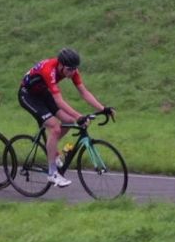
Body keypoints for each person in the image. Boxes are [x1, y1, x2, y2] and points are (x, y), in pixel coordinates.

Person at [18, 48, 114, 187]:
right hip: (28, 95)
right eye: (69, 69)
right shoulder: (49, 70)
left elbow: (84, 92)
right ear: (61, 65)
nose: (72, 73)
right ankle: (52, 174)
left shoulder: (72, 70)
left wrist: (103, 108)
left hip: (42, 92)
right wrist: (78, 116)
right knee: (55, 128)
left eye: (75, 69)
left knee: (69, 121)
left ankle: (52, 148)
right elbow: (58, 100)